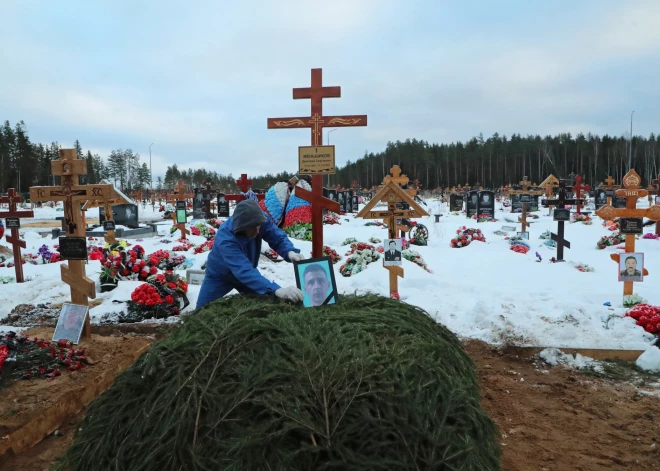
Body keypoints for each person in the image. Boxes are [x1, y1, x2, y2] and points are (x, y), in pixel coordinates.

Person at [196, 199, 305, 307]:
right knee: (200, 311)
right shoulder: (226, 239)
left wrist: (289, 251)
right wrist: (277, 290)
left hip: (249, 275)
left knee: (266, 306)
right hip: (220, 276)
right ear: (242, 227)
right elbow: (243, 271)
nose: (258, 231)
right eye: (253, 228)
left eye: (259, 226)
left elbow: (276, 237)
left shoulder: (259, 219)